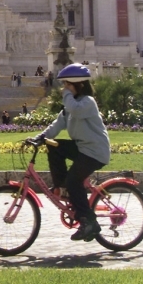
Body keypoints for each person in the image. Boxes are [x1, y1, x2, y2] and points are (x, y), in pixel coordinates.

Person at [35, 64, 111, 242]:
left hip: (95, 151)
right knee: (53, 146)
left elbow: (75, 109)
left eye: (68, 85)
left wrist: (67, 95)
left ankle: (89, 222)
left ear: (79, 86)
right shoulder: (70, 108)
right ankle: (63, 188)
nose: (65, 89)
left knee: (74, 181)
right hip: (82, 148)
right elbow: (56, 125)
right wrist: (39, 138)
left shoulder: (87, 103)